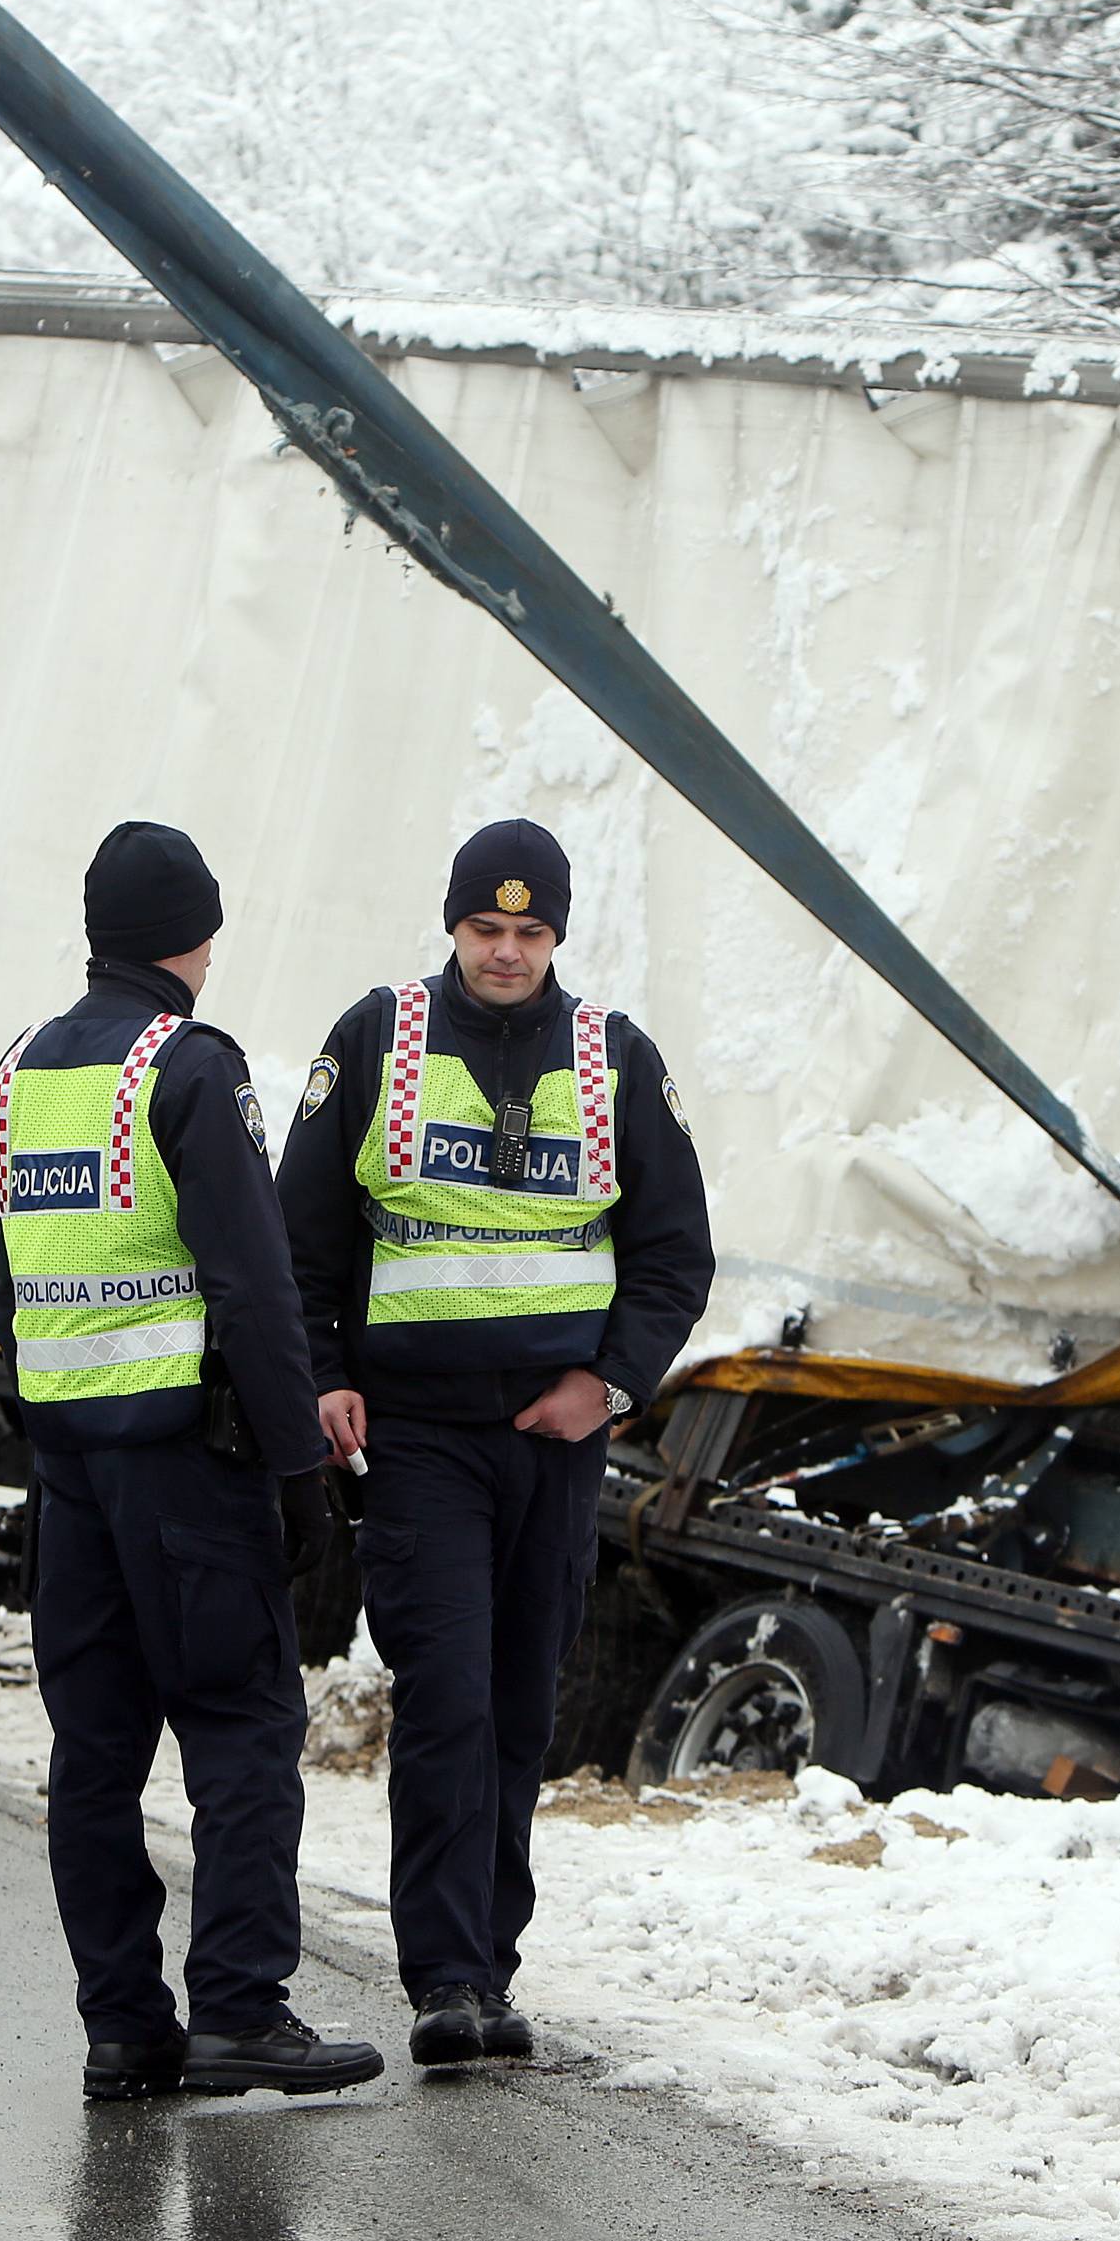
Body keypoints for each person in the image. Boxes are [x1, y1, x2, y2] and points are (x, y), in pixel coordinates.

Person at [276, 817, 714, 2067]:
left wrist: (613, 1385)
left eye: (530, 931)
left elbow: (677, 1252)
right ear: (453, 924)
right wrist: (322, 1377)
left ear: (558, 934)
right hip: (420, 1439)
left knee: (522, 1703)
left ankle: (494, 1964)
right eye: (486, 928)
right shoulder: (379, 1039)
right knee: (450, 1699)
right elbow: (300, 1235)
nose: (507, 952)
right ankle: (446, 1979)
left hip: (555, 1445)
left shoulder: (615, 1057)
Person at [0, 820, 383, 2105]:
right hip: (186, 1469)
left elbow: (10, 1291)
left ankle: (123, 2028)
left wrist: (55, 1433)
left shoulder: (20, 1076)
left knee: (92, 1753)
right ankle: (242, 2013)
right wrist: (293, 1473)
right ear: (199, 934)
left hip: (70, 1475)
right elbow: (254, 1291)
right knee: (243, 1723)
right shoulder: (192, 1068)